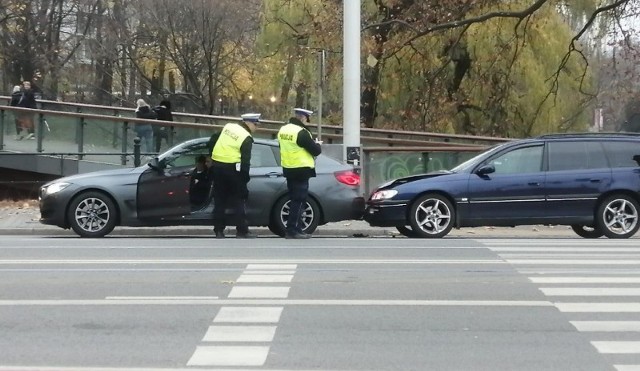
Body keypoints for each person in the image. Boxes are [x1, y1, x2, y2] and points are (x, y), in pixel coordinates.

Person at [210, 113, 261, 239]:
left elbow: (212, 140)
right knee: (239, 199)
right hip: (233, 170)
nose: (257, 127)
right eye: (255, 124)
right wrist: (244, 179)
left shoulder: (228, 127)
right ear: (248, 123)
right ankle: (242, 230)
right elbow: (245, 161)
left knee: (219, 200)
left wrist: (213, 156)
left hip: (217, 167)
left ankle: (219, 231)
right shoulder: (246, 137)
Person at [277, 108, 322, 239]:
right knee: (299, 200)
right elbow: (315, 151)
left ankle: (295, 228)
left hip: (288, 168)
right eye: (307, 119)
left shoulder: (283, 130)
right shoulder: (301, 132)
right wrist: (317, 144)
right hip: (301, 169)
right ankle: (293, 230)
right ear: (303, 118)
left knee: (293, 199)